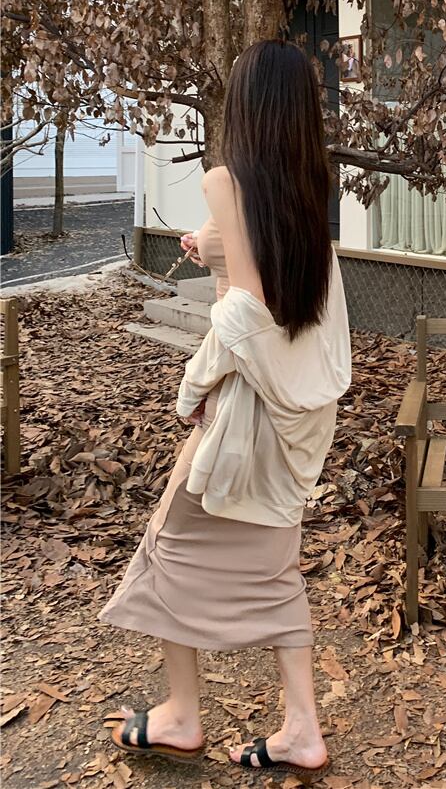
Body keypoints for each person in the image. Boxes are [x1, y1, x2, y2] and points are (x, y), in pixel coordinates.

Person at [98, 40, 352, 785]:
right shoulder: (305, 192)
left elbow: (243, 311)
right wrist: (215, 251)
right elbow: (271, 288)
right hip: (295, 422)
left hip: (245, 418)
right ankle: (301, 728)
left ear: (246, 107)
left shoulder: (224, 182)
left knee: (166, 545)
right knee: (275, 569)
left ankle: (182, 714)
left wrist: (191, 386)